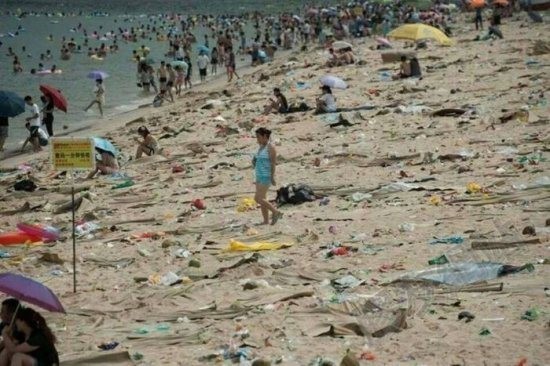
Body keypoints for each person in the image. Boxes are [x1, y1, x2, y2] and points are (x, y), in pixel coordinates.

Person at [252, 128, 283, 225]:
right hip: (259, 175)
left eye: (258, 137)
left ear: (265, 136)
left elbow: (273, 163)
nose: (257, 140)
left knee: (258, 198)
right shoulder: (261, 147)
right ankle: (265, 221)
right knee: (263, 199)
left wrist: (272, 177)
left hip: (266, 176)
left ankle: (275, 212)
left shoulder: (271, 147)